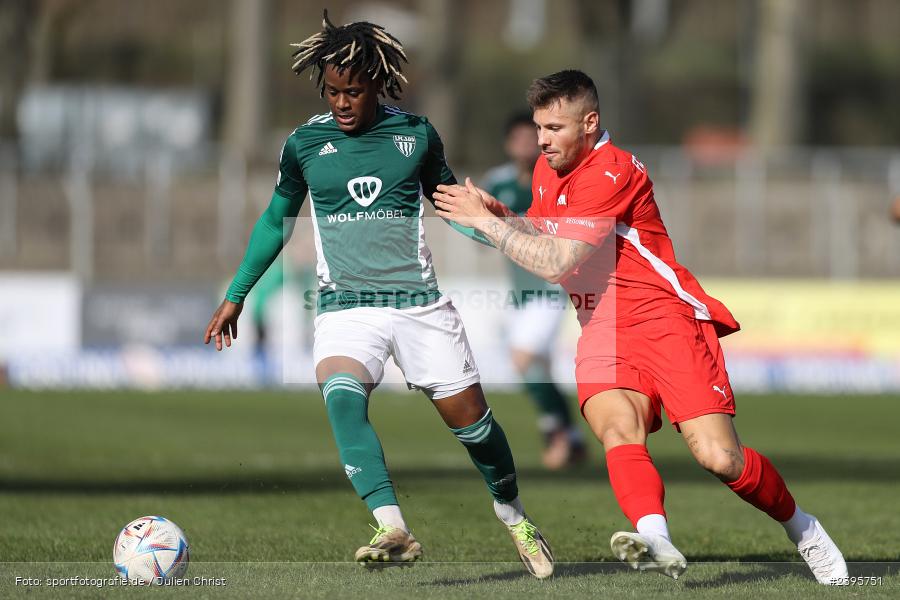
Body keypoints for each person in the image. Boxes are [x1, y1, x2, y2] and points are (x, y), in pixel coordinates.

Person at [433, 69, 848, 585]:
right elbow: (545, 231)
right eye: (539, 127)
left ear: (590, 123)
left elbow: (557, 261)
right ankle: (655, 535)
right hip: (602, 327)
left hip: (665, 320)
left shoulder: (614, 170)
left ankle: (803, 528)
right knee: (617, 428)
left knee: (720, 458)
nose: (542, 140)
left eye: (554, 128)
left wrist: (490, 226)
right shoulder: (547, 168)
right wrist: (503, 216)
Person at [203, 12, 553, 578]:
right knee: (341, 394)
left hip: (418, 305)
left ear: (378, 83)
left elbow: (450, 205)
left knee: (476, 429)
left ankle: (513, 514)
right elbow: (275, 221)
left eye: (354, 91)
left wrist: (491, 229)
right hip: (345, 306)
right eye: (334, 91)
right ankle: (392, 525)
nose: (343, 103)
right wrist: (238, 292)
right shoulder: (304, 144)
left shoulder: (415, 135)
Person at [482, 112, 585, 469]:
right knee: (537, 368)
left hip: (551, 289)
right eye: (520, 139)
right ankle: (572, 437)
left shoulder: (558, 179)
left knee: (523, 359)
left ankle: (556, 438)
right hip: (520, 295)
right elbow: (482, 231)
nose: (528, 144)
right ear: (509, 144)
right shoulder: (498, 181)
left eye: (534, 137)